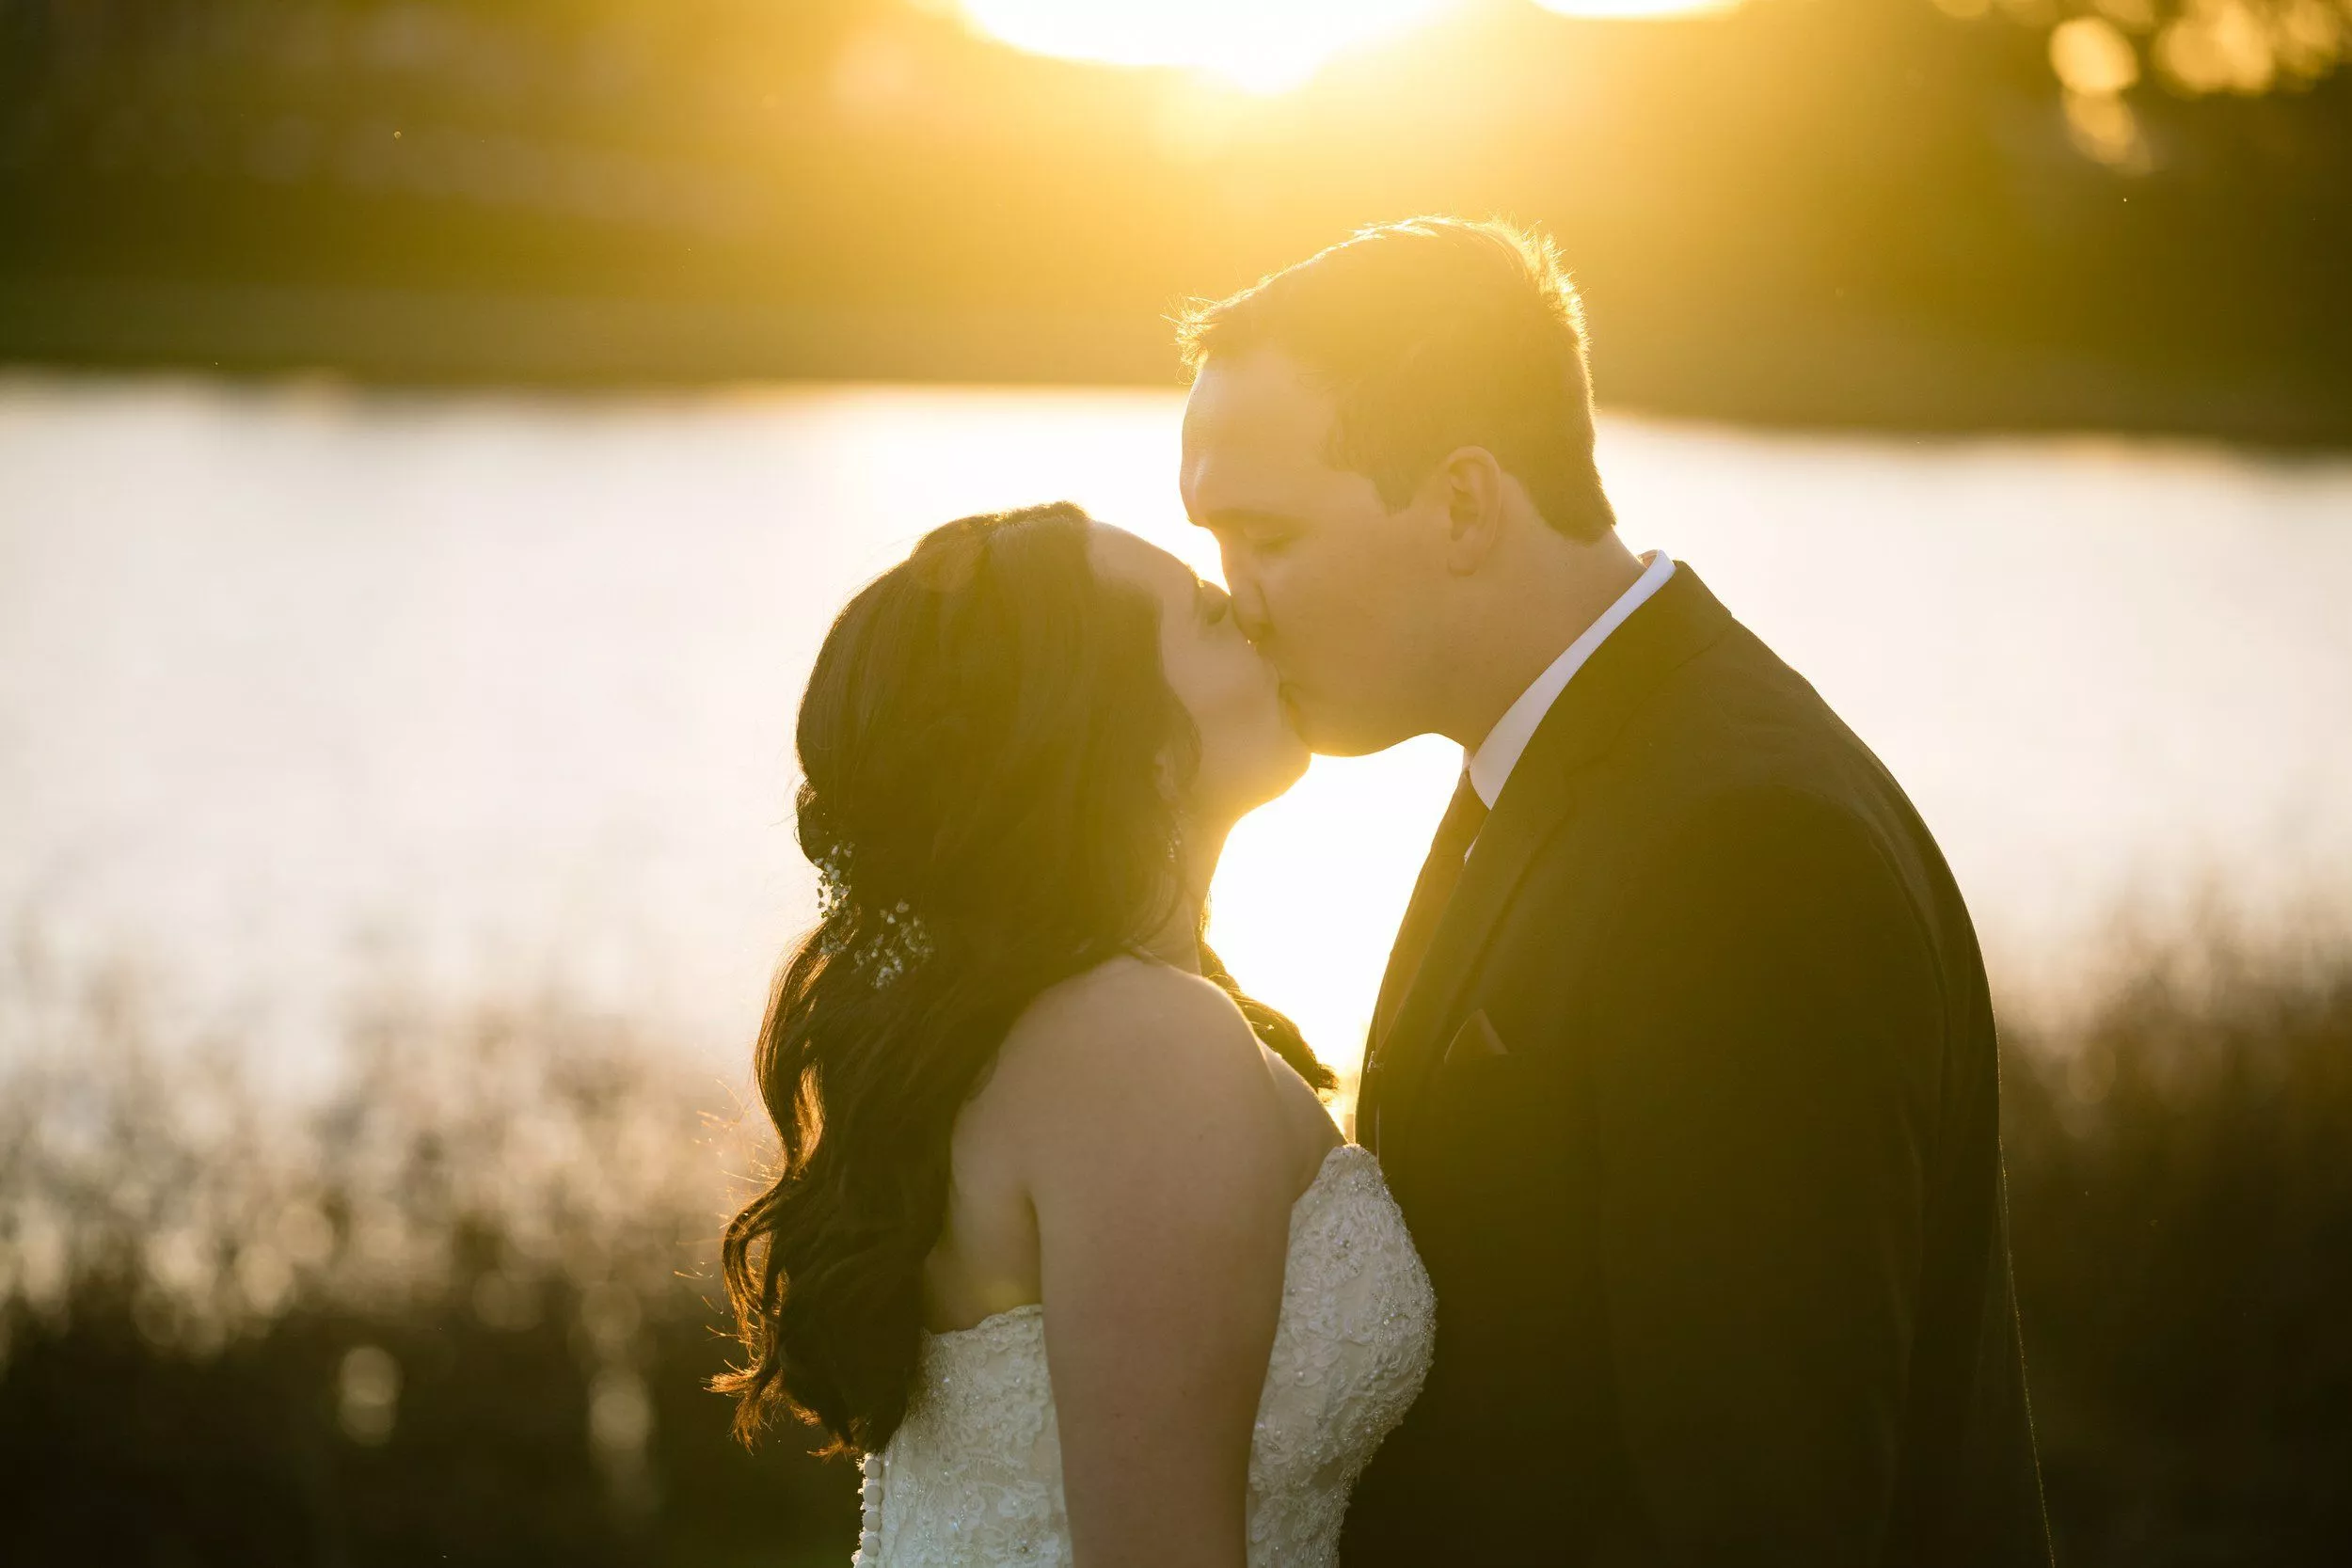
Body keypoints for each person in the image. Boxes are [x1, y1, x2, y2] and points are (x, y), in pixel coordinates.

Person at [1177, 217, 2053, 1566]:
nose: (1235, 601)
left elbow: (1766, 1503)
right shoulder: (1559, 764)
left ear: (1464, 504)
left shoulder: (1742, 849)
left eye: (1268, 535)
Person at [718, 503, 1434, 1568]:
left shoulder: (1049, 1023)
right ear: (1134, 745)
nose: (1248, 610)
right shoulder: (1142, 1044)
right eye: (1204, 613)